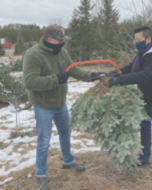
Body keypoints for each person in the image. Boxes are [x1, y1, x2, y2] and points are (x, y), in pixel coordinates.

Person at [23, 24, 104, 190]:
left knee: (65, 133)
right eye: (60, 40)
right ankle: (41, 174)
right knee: (44, 141)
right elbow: (30, 82)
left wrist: (93, 76)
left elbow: (73, 70)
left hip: (60, 103)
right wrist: (56, 79)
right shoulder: (33, 55)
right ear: (50, 39)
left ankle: (68, 161)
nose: (63, 43)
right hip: (43, 105)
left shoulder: (62, 52)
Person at [107, 26, 152, 181]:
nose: (136, 43)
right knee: (144, 129)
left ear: (148, 39)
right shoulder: (140, 55)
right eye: (135, 40)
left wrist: (118, 81)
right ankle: (144, 158)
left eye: (139, 40)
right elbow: (128, 69)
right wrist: (109, 75)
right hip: (142, 100)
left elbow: (145, 75)